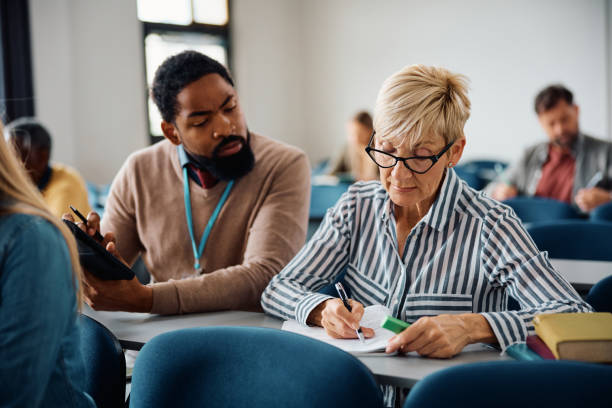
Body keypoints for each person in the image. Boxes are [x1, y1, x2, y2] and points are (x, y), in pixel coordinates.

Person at [261, 65, 591, 406]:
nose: (398, 173)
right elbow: (277, 289)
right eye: (387, 150)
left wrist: (472, 327)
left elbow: (573, 314)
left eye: (419, 156)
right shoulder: (357, 207)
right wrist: (322, 308)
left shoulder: (490, 225)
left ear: (454, 152)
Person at [66, 50, 310, 315]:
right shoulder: (139, 170)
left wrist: (147, 299)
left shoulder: (285, 164)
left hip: (250, 338)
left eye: (231, 107)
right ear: (172, 133)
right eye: (201, 121)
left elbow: (267, 275)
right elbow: (113, 278)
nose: (226, 127)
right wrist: (93, 260)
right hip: (157, 339)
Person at [0, 123, 94, 407]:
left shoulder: (30, 237)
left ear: (43, 155)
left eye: (25, 153)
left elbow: (14, 393)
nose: (22, 162)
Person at [488, 85, 612, 212]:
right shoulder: (530, 155)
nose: (560, 129)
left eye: (565, 119)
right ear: (540, 122)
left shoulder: (605, 152)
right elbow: (490, 189)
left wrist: (607, 198)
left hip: (579, 229)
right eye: (551, 124)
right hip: (530, 228)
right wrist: (499, 191)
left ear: (576, 110)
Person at [4, 117, 92, 218]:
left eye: (17, 155)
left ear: (42, 155)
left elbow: (55, 230)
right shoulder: (28, 184)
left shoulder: (66, 187)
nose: (10, 164)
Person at [327, 111, 379, 182]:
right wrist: (351, 177)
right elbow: (331, 174)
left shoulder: (380, 150)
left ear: (370, 130)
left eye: (359, 132)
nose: (355, 138)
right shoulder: (346, 149)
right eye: (351, 133)